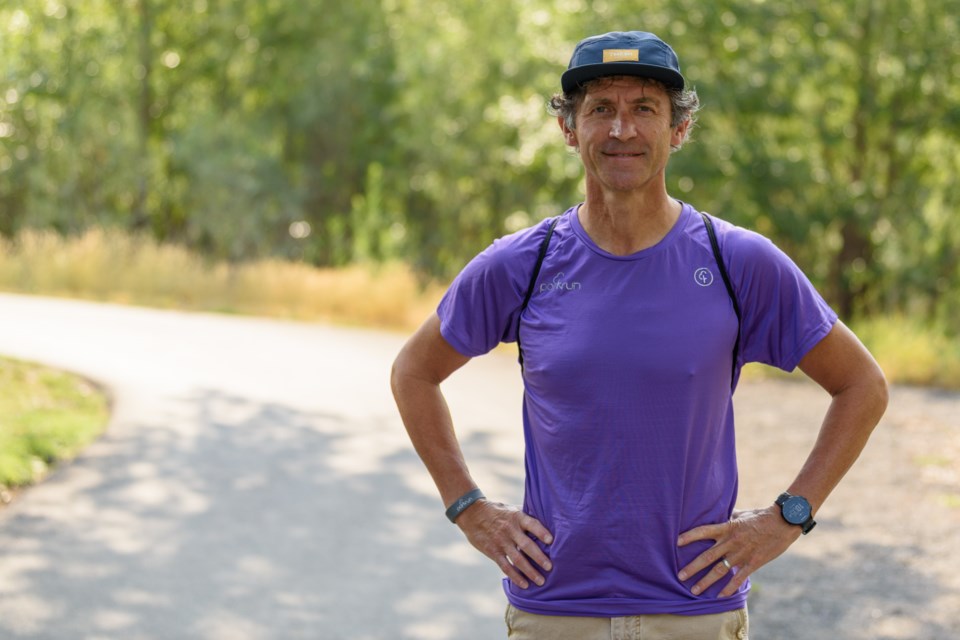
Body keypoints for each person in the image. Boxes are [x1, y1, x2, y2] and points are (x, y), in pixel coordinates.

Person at [390, 30, 888, 639]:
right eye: (601, 109)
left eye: (644, 110)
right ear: (570, 129)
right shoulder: (523, 263)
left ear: (678, 130)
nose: (622, 130)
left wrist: (790, 515)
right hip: (555, 611)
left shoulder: (737, 262)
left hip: (695, 611)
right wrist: (468, 507)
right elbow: (413, 372)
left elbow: (862, 385)